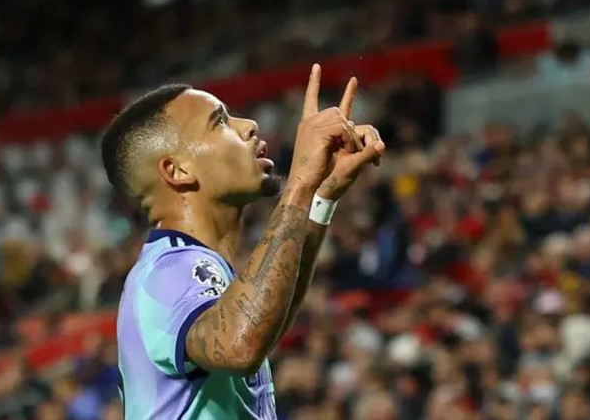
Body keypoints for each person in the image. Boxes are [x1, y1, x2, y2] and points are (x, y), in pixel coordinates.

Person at [101, 64, 385, 419]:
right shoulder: (167, 271)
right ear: (178, 171)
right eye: (219, 121)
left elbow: (264, 322)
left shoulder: (194, 264)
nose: (249, 125)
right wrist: (299, 182)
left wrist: (321, 194)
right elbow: (239, 344)